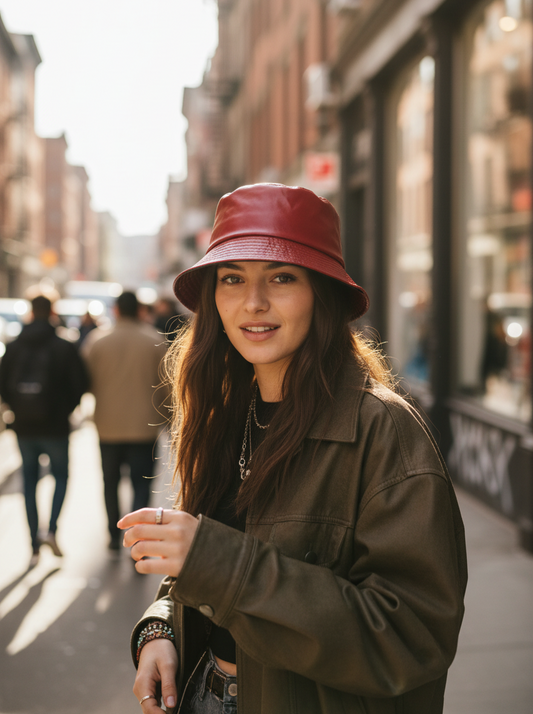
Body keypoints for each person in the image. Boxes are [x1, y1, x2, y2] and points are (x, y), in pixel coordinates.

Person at [118, 184, 467, 714]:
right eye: (232, 279)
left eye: (282, 277)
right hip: (204, 692)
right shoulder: (226, 413)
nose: (253, 302)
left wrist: (215, 560)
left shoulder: (383, 430)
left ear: (321, 293)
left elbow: (412, 638)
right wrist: (161, 628)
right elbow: (199, 569)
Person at [0, 294, 89, 563]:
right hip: (56, 426)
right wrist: (66, 410)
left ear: (30, 311)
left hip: (24, 427)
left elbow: (2, 383)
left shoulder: (14, 346)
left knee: (29, 480)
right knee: (60, 476)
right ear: (51, 311)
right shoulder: (64, 345)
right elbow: (81, 383)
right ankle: (51, 530)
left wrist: (15, 408)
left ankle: (33, 544)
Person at [83, 290, 167, 550]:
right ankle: (138, 539)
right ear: (140, 311)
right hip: (145, 426)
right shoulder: (154, 340)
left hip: (108, 425)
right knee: (142, 486)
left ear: (116, 310)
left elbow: (86, 382)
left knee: (110, 483)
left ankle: (112, 536)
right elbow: (167, 386)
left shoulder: (97, 341)